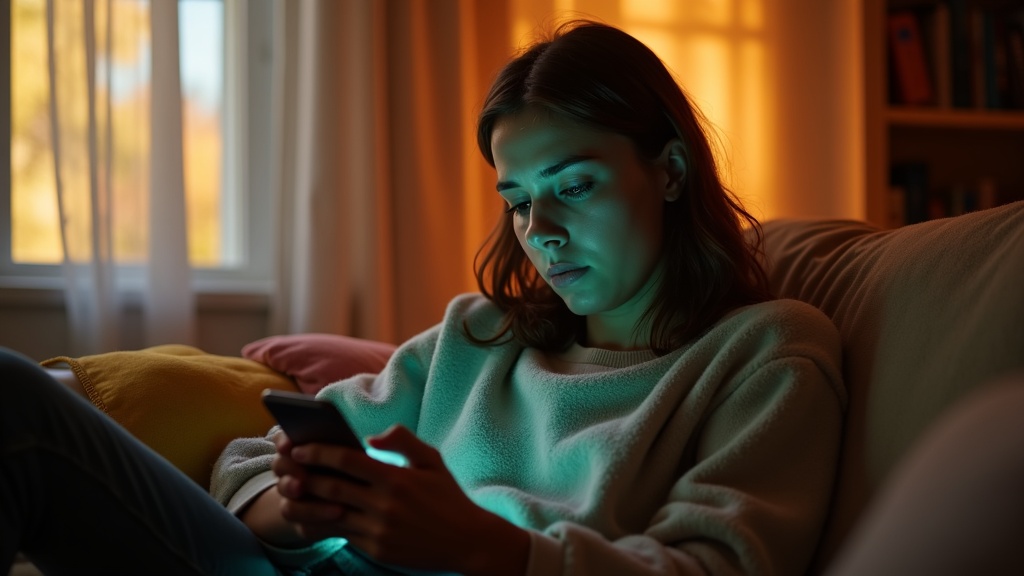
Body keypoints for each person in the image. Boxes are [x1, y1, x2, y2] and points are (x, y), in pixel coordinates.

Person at [1, 20, 845, 576]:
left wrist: (489, 547)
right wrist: (296, 507)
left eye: (575, 184)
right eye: (518, 199)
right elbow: (248, 459)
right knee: (11, 395)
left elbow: (716, 567)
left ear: (669, 170)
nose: (539, 229)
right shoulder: (479, 338)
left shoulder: (767, 352)